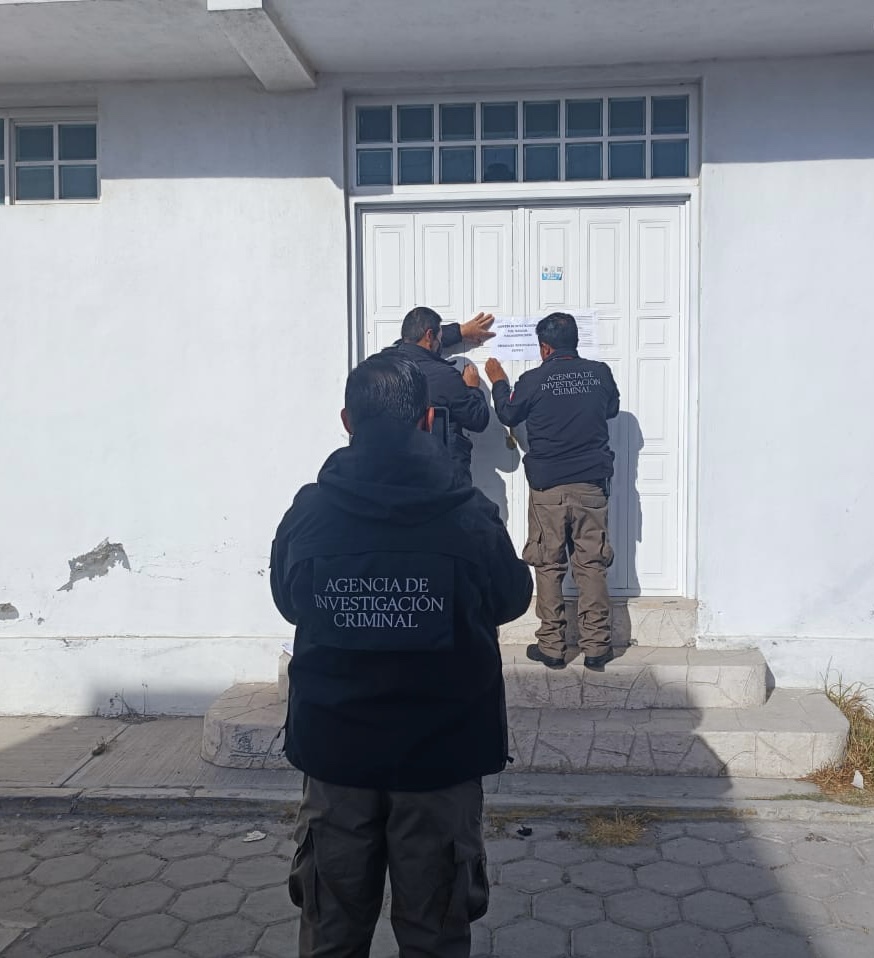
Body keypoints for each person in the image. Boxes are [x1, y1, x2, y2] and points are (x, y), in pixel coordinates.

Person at [270, 352, 533, 958]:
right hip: (440, 759)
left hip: (337, 756)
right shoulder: (469, 514)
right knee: (435, 936)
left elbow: (289, 601)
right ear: (428, 419)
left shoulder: (309, 514)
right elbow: (512, 598)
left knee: (331, 935)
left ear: (347, 420)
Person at [484, 312, 620, 671]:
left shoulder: (532, 380)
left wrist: (498, 382)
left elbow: (508, 413)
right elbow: (611, 408)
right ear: (575, 341)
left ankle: (553, 647)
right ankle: (596, 647)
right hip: (591, 486)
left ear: (544, 348)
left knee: (548, 564)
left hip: (548, 490)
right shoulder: (600, 373)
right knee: (591, 564)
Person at [385, 307, 492, 482]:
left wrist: (460, 331)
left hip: (393, 474)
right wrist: (473, 388)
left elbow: (403, 345)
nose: (441, 342)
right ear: (429, 335)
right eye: (440, 337)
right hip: (443, 477)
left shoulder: (381, 367)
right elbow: (478, 419)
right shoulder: (444, 377)